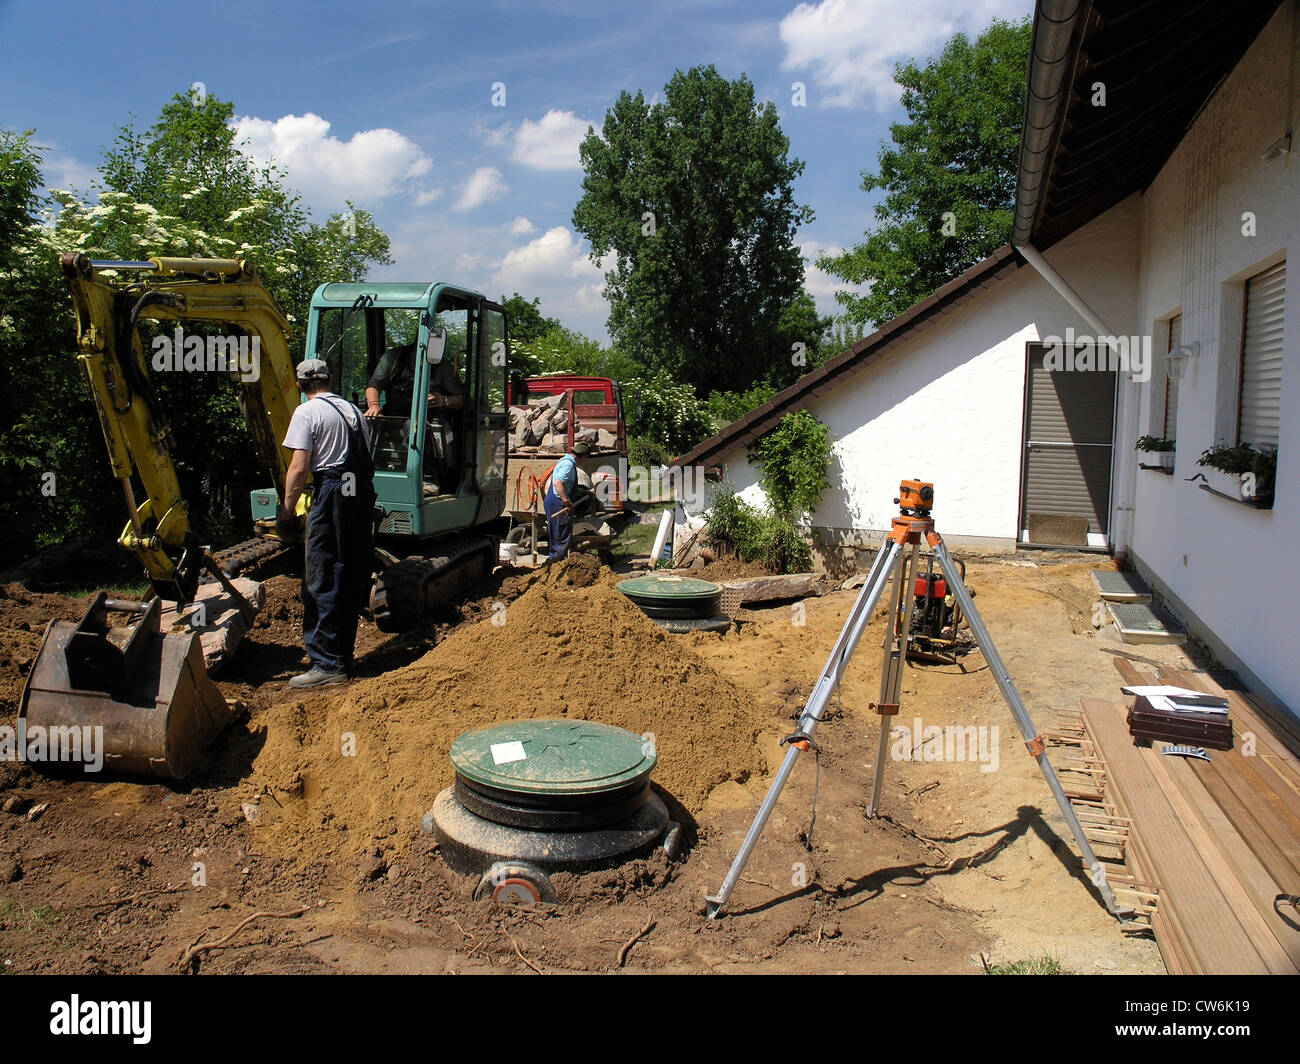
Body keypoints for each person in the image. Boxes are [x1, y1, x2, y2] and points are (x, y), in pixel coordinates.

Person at [278, 358, 377, 687]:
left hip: (333, 491)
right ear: (330, 379)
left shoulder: (306, 413)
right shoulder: (353, 411)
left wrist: (287, 509)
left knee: (321, 574)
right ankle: (342, 658)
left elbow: (298, 467)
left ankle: (325, 665)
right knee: (350, 573)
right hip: (360, 494)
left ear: (299, 385)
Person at [364, 339, 464, 486]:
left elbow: (461, 399)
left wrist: (444, 400)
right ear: (418, 343)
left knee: (416, 428)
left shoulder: (442, 366)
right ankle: (364, 476)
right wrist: (373, 405)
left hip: (428, 422)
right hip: (392, 419)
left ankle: (427, 479)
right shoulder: (392, 358)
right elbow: (373, 386)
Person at [543, 439, 592, 563]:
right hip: (558, 503)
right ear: (581, 456)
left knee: (556, 535)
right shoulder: (568, 465)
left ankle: (555, 563)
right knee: (561, 536)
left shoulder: (564, 460)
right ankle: (557, 565)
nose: (586, 461)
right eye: (586, 458)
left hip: (553, 500)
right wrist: (567, 502)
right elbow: (558, 483)